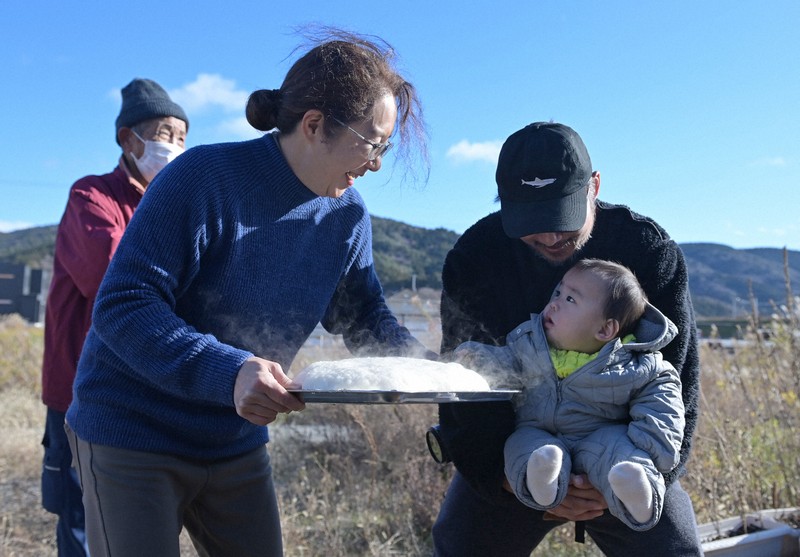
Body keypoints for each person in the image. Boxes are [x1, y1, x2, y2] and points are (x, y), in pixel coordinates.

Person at [64, 29, 431, 557]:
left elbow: (365, 318)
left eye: (385, 148)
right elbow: (124, 305)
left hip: (234, 441)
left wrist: (433, 369)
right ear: (314, 125)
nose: (376, 163)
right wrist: (230, 370)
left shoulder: (346, 216)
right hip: (131, 431)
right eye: (373, 144)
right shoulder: (204, 178)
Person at [432, 121, 702, 555]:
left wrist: (643, 477)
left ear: (594, 186)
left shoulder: (649, 252)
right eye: (532, 223)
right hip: (518, 452)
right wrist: (498, 476)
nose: (552, 237)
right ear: (503, 202)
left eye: (563, 217)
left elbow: (678, 384)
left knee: (674, 548)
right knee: (459, 543)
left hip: (621, 455)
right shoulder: (476, 258)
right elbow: (464, 386)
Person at [40, 77, 189, 557]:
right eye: (166, 133)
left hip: (145, 395)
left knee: (132, 527)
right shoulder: (92, 197)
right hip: (81, 392)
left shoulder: (174, 205)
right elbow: (116, 279)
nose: (175, 146)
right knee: (83, 525)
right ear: (129, 138)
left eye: (183, 137)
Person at [452, 258, 685, 533]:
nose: (554, 303)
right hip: (539, 433)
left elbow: (662, 399)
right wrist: (476, 358)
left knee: (622, 455)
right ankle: (542, 480)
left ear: (605, 330)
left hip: (600, 436)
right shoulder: (531, 343)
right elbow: (505, 362)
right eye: (558, 293)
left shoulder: (634, 365)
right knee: (521, 445)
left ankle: (637, 493)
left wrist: (653, 447)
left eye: (571, 300)